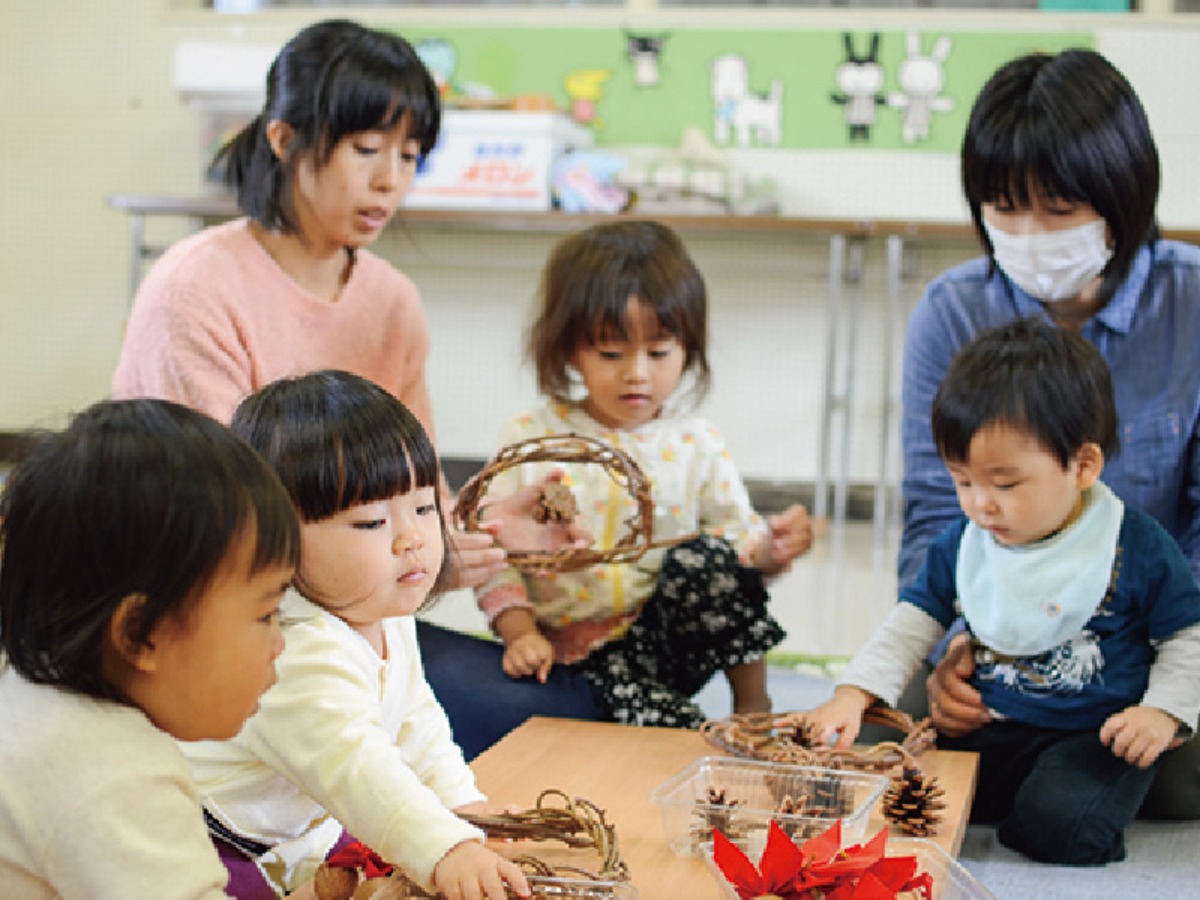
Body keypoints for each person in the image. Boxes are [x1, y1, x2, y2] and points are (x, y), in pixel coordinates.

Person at [898, 47, 1200, 819]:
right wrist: (953, 655)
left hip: (1162, 626)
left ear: (1122, 198)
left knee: (1177, 760)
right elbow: (937, 512)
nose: (1030, 233)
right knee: (892, 713)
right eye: (1004, 208)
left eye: (1060, 211)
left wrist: (1166, 677)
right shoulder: (952, 310)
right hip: (1005, 629)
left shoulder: (1191, 307)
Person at [108, 18, 506, 595]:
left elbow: (417, 492)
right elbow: (229, 518)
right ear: (283, 139)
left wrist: (480, 537)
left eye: (410, 156)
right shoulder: (193, 289)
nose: (389, 181)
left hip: (352, 604)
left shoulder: (392, 301)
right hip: (208, 603)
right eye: (366, 149)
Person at [811, 319, 1200, 865]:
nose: (980, 505)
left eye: (1005, 484)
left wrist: (1161, 712)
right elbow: (911, 620)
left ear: (1083, 465)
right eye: (963, 481)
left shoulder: (1134, 545)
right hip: (991, 725)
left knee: (1062, 830)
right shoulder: (967, 540)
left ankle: (1132, 787)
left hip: (1094, 734)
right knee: (895, 785)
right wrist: (853, 692)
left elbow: (1188, 635)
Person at [454, 220, 813, 738]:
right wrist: (520, 632)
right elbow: (492, 558)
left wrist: (770, 551)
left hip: (669, 639)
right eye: (610, 354)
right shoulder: (532, 440)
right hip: (583, 660)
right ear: (568, 349)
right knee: (678, 736)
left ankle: (754, 701)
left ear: (688, 348)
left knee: (710, 558)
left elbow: (738, 546)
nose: (637, 374)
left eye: (659, 352)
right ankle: (674, 720)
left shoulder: (697, 442)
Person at [182, 371, 530, 900]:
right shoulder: (291, 648)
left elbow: (417, 721)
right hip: (216, 840)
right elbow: (358, 768)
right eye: (371, 522)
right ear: (275, 536)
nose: (412, 538)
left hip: (301, 825)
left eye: (421, 507)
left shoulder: (383, 608)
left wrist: (464, 810)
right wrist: (446, 847)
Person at [0, 399, 302, 897]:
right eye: (265, 614)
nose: (279, 643)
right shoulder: (114, 774)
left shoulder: (33, 699)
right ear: (142, 633)